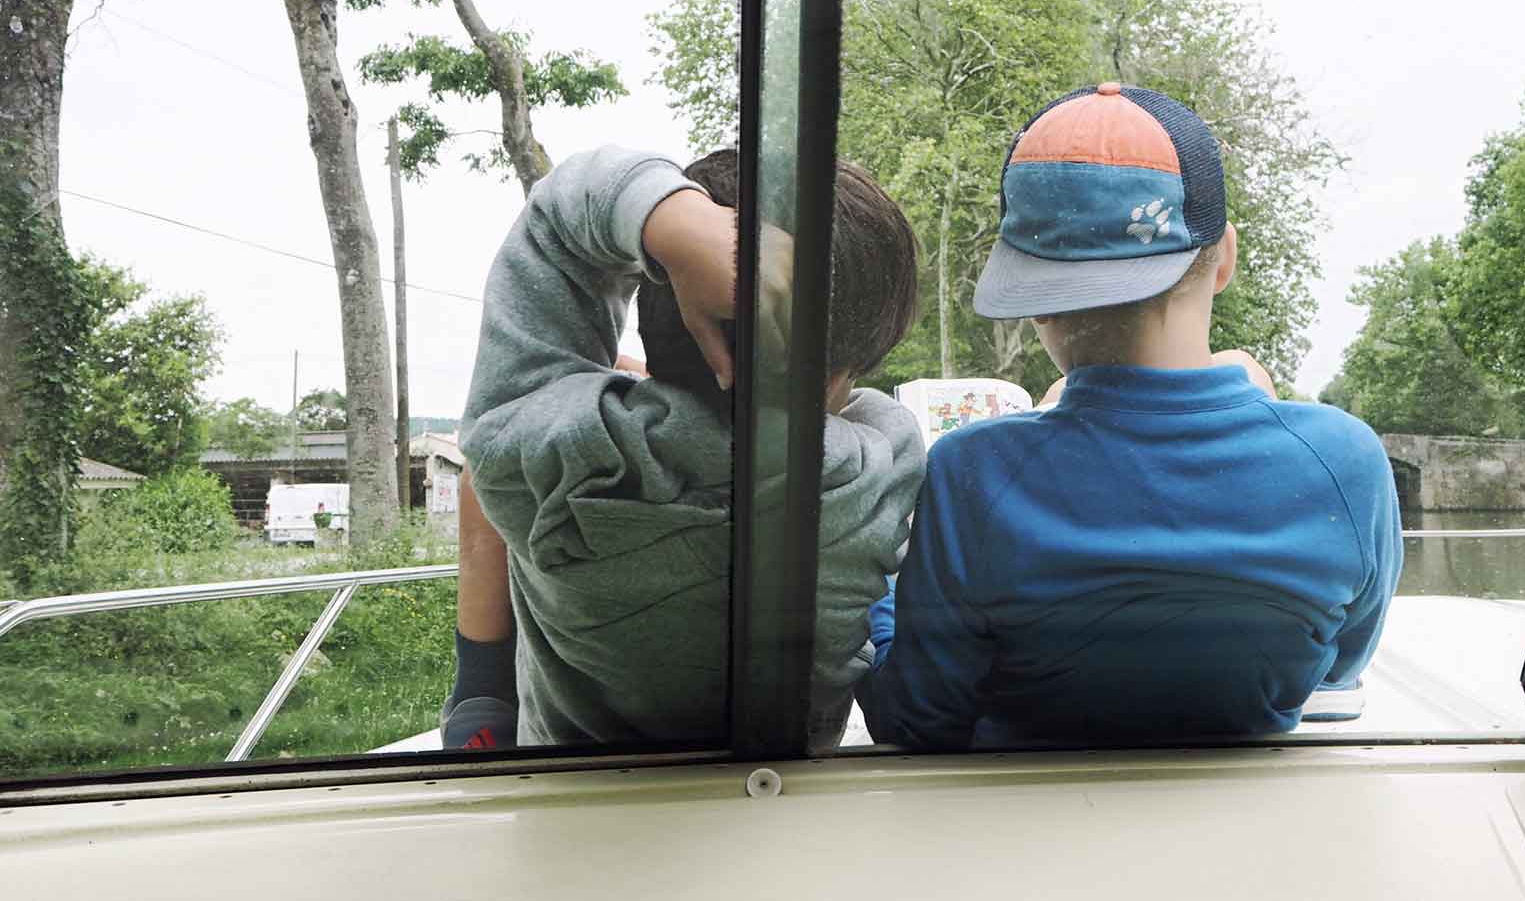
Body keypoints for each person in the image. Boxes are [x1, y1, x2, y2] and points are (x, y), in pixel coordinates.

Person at [857, 83, 1403, 749]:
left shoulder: (976, 471)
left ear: (1038, 301)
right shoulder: (1346, 462)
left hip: (1017, 832)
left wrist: (886, 588)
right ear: (1224, 258)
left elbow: (917, 716)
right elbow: (1340, 666)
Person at [443, 146, 925, 750]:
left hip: (578, 801)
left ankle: (476, 689)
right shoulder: (886, 462)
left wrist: (672, 219)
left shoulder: (548, 452)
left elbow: (552, 231)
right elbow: (845, 416)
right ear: (840, 370)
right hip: (781, 808)